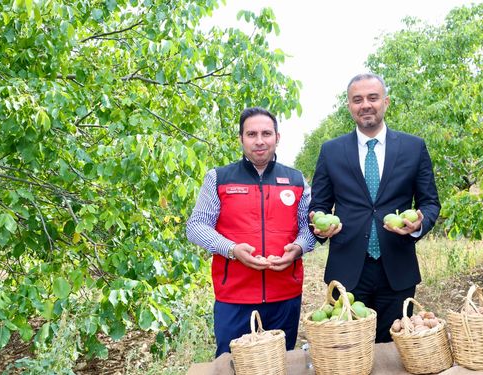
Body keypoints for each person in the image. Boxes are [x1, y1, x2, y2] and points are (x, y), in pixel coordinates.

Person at [309, 73, 441, 343]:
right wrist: (321, 228)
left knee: (394, 349)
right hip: (347, 269)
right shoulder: (331, 151)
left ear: (386, 102)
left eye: (372, 97)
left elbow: (430, 202)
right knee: (347, 348)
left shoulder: (413, 147)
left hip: (397, 267)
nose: (365, 105)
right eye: (357, 100)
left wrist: (419, 224)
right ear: (349, 106)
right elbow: (319, 205)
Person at [186, 107, 316, 357]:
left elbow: (309, 228)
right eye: (251, 134)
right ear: (241, 138)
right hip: (234, 296)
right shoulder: (218, 178)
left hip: (285, 295)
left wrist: (298, 248)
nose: (259, 141)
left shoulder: (296, 180)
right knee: (233, 363)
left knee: (279, 362)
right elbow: (196, 226)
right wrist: (232, 249)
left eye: (266, 133)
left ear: (277, 137)